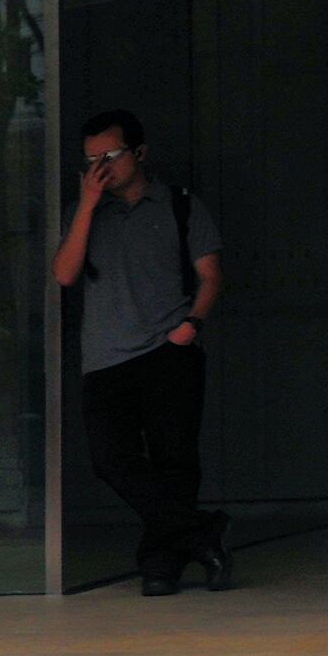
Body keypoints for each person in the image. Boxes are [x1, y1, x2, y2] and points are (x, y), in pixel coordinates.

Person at [53, 108, 232, 594]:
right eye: (91, 160)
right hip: (105, 358)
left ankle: (160, 566)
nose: (101, 167)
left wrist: (190, 326)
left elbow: (211, 274)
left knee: (175, 462)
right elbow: (64, 274)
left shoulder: (180, 205)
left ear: (140, 153)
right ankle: (201, 530)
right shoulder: (83, 214)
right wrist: (87, 205)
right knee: (110, 459)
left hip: (169, 348)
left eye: (110, 155)